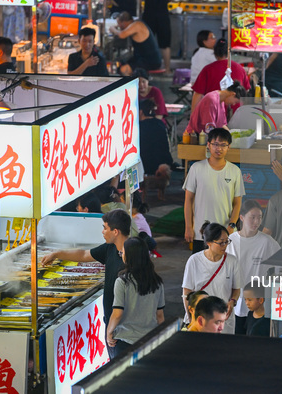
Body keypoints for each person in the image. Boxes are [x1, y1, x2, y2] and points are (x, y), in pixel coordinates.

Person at [41, 209, 130, 358]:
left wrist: (111, 329)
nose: (102, 232)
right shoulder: (110, 248)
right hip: (112, 323)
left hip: (124, 326)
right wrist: (56, 254)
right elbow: (84, 254)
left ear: (115, 231)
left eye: (104, 228)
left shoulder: (134, 253)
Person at [183, 128, 245, 253]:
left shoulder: (235, 171)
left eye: (223, 145)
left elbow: (237, 203)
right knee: (201, 268)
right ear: (208, 145)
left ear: (229, 147)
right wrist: (188, 227)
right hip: (200, 233)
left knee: (223, 268)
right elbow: (188, 200)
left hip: (224, 232)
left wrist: (231, 226)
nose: (219, 149)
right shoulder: (196, 168)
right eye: (215, 144)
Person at [226, 200, 280, 334]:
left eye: (260, 218)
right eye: (253, 217)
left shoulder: (267, 243)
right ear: (242, 217)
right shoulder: (230, 241)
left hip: (258, 307)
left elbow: (281, 267)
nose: (257, 222)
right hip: (235, 304)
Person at [106, 237, 165, 358]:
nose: (121, 254)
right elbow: (160, 316)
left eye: (122, 252)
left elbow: (117, 314)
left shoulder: (122, 281)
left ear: (129, 256)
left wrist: (109, 332)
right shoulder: (157, 282)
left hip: (125, 342)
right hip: (150, 340)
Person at [182, 222, 241, 334]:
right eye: (221, 243)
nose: (225, 245)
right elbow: (186, 293)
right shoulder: (194, 261)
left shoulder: (232, 261)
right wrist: (191, 318)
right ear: (209, 243)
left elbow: (236, 289)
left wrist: (232, 302)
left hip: (223, 321)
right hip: (200, 321)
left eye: (227, 241)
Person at [191, 38, 251, 110]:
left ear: (215, 53)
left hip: (213, 113)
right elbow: (246, 91)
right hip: (236, 113)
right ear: (229, 53)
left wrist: (193, 116)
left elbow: (197, 94)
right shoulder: (240, 69)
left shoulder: (207, 69)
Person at [138, 99, 173, 175]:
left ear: (140, 112)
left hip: (147, 167)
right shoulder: (160, 123)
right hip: (164, 165)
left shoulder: (139, 127)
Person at [142, 0, 172, 75]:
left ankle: (146, 70)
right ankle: (167, 70)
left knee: (146, 43)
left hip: (149, 14)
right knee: (165, 44)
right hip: (162, 14)